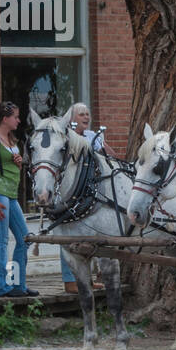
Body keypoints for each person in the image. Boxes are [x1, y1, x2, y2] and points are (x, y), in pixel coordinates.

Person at [0, 100, 38, 298]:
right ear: (5, 118)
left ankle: (17, 285)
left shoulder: (11, 140)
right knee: (2, 240)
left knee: (24, 239)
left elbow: (13, 165)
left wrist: (19, 162)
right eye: (15, 116)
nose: (18, 120)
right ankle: (2, 287)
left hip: (11, 195)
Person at [61, 102, 109, 293]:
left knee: (91, 234)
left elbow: (109, 156)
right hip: (71, 194)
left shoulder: (92, 136)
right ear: (72, 119)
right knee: (65, 234)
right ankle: (69, 280)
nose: (86, 117)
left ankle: (88, 278)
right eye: (81, 114)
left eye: (88, 114)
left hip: (91, 193)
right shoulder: (66, 137)